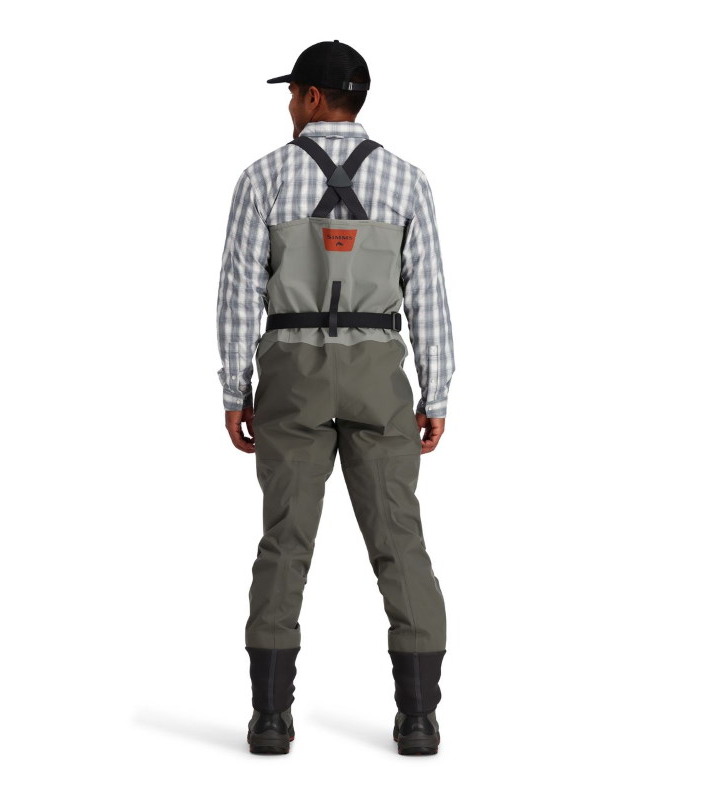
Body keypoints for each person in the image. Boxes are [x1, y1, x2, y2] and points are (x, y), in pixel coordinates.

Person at [215, 39, 455, 756]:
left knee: (285, 542)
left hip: (291, 374)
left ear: (314, 97)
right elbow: (429, 296)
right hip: (379, 375)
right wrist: (436, 393)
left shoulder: (262, 177)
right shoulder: (408, 181)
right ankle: (418, 719)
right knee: (400, 543)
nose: (290, 105)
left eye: (294, 93)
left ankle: (269, 718)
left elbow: (238, 293)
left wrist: (235, 387)